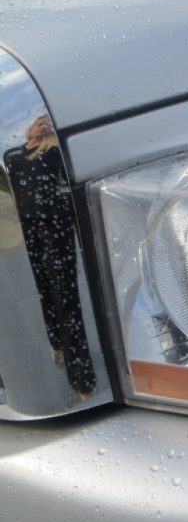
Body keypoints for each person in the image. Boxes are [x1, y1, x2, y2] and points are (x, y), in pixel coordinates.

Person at [3, 115, 96, 398]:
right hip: (29, 228)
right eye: (39, 122)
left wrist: (54, 137)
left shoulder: (54, 151)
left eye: (48, 123)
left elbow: (72, 172)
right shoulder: (12, 155)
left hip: (56, 227)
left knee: (66, 296)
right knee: (44, 290)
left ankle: (82, 379)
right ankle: (57, 344)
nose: (43, 126)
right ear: (30, 127)